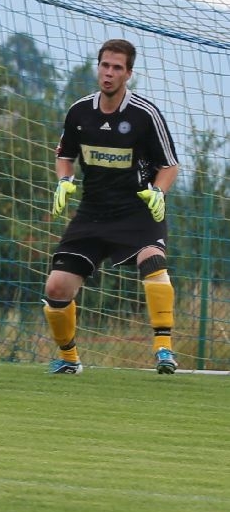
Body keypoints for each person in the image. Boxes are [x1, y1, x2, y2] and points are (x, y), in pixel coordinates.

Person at [45, 38, 180, 375]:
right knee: (56, 286)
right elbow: (65, 155)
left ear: (128, 74)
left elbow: (170, 166)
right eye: (105, 65)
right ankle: (69, 359)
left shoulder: (144, 114)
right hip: (92, 212)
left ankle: (164, 350)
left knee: (153, 261)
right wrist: (64, 180)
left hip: (136, 211)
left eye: (117, 67)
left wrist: (159, 193)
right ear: (98, 67)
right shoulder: (79, 112)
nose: (109, 73)